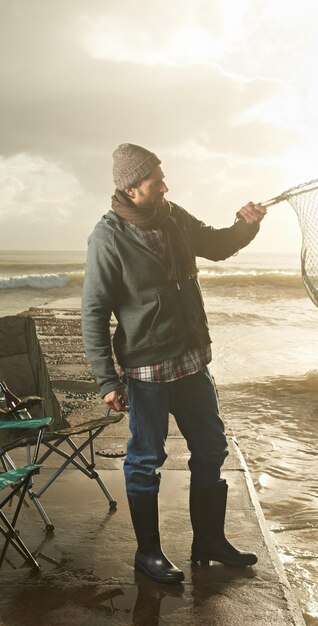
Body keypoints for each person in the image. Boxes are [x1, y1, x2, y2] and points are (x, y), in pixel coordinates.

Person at [81, 143, 266, 584]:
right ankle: (148, 554)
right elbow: (93, 311)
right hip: (146, 373)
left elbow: (218, 246)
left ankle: (209, 541)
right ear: (131, 189)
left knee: (211, 450)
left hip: (191, 363)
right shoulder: (107, 237)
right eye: (155, 182)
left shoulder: (174, 215)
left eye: (162, 179)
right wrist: (107, 380)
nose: (165, 186)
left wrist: (245, 226)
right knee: (146, 459)